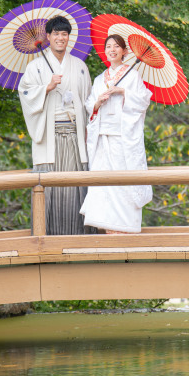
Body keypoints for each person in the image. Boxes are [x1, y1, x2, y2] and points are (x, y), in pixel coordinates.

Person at [18, 16, 94, 235]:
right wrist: (47, 87)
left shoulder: (79, 66)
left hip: (75, 135)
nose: (60, 38)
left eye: (64, 34)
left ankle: (79, 237)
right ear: (48, 37)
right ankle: (47, 236)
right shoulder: (35, 67)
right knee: (50, 187)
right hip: (49, 134)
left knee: (74, 187)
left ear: (68, 38)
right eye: (56, 34)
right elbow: (25, 94)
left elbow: (88, 102)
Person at [80, 34, 153, 233]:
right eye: (108, 46)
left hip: (123, 138)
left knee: (123, 182)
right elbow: (89, 105)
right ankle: (108, 228)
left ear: (124, 51)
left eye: (116, 47)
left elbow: (143, 101)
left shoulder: (133, 75)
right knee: (103, 184)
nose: (112, 50)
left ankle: (125, 227)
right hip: (103, 137)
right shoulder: (98, 79)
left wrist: (123, 92)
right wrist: (98, 102)